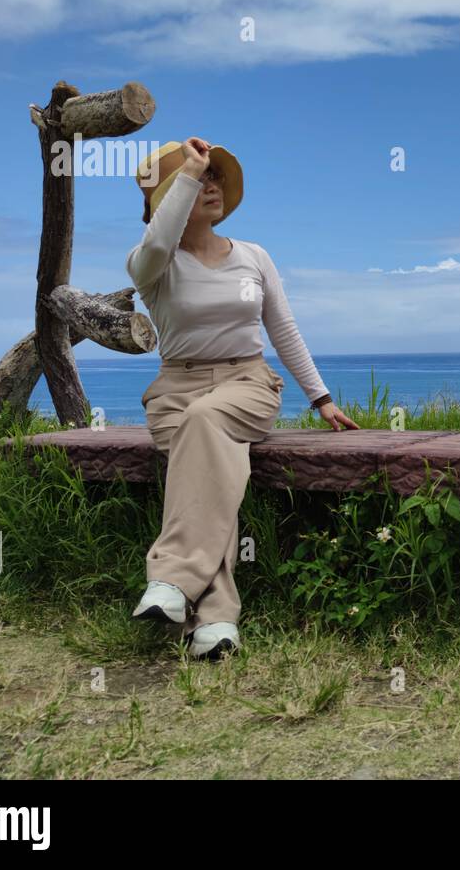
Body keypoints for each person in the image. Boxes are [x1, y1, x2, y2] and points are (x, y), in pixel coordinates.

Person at [126, 137, 359, 660]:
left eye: (213, 179)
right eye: (194, 181)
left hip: (246, 386)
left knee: (206, 424)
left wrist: (320, 398)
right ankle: (216, 621)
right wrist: (186, 173)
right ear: (170, 201)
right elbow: (158, 244)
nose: (210, 186)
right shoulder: (150, 263)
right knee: (211, 477)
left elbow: (284, 329)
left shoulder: (254, 256)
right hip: (174, 391)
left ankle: (170, 580)